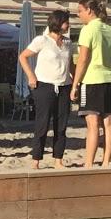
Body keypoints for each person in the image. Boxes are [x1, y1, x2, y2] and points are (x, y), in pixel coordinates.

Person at [18, 9, 73, 169]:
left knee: (61, 125)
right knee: (42, 123)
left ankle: (58, 159)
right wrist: (31, 76)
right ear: (58, 23)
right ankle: (36, 159)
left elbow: (71, 65)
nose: (68, 25)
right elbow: (23, 56)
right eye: (66, 22)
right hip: (44, 86)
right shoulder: (42, 40)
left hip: (64, 86)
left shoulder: (68, 43)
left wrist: (76, 83)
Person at [71, 0, 111, 167]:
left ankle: (89, 164)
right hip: (108, 78)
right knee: (108, 123)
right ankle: (106, 162)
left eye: (80, 11)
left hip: (92, 79)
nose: (78, 15)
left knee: (92, 124)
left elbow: (83, 59)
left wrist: (75, 84)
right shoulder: (109, 29)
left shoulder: (88, 29)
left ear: (89, 10)